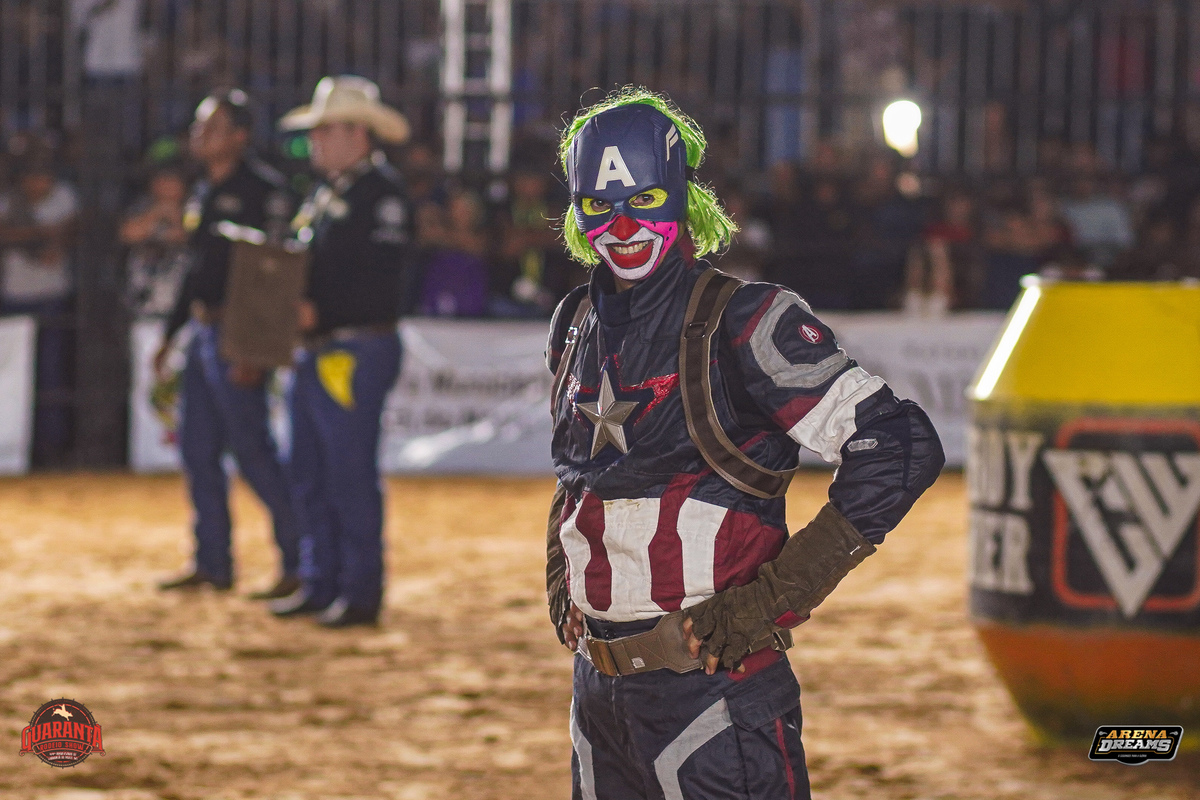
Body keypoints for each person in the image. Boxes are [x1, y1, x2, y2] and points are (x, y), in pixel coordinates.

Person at [545, 89, 944, 800]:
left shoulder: (745, 320)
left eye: (645, 200)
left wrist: (772, 602)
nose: (624, 226)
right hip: (599, 698)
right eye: (600, 205)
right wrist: (562, 573)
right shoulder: (575, 323)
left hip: (714, 698)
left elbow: (900, 444)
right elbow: (578, 474)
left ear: (683, 198)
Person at [269, 76, 414, 628]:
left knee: (346, 472)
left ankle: (357, 590)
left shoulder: (381, 195)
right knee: (309, 468)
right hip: (325, 348)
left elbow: (383, 282)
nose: (314, 140)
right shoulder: (330, 193)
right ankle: (321, 580)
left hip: (352, 347)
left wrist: (317, 310)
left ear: (357, 133)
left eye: (324, 129)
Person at [155, 89, 301, 597]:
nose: (200, 135)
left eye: (212, 127)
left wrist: (255, 347)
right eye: (200, 126)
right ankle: (212, 561)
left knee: (253, 450)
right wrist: (171, 333)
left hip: (236, 333)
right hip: (204, 331)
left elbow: (275, 274)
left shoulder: (265, 191)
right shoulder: (206, 189)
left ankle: (298, 561)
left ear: (240, 136)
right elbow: (194, 270)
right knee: (197, 449)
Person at [0, 144, 79, 466]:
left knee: (51, 375)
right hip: (13, 297)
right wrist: (42, 234)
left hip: (52, 297)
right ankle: (10, 444)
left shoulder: (64, 197)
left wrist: (38, 236)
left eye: (43, 174)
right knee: (9, 374)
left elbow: (71, 232)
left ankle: (50, 448)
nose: (37, 182)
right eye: (32, 175)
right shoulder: (10, 200)